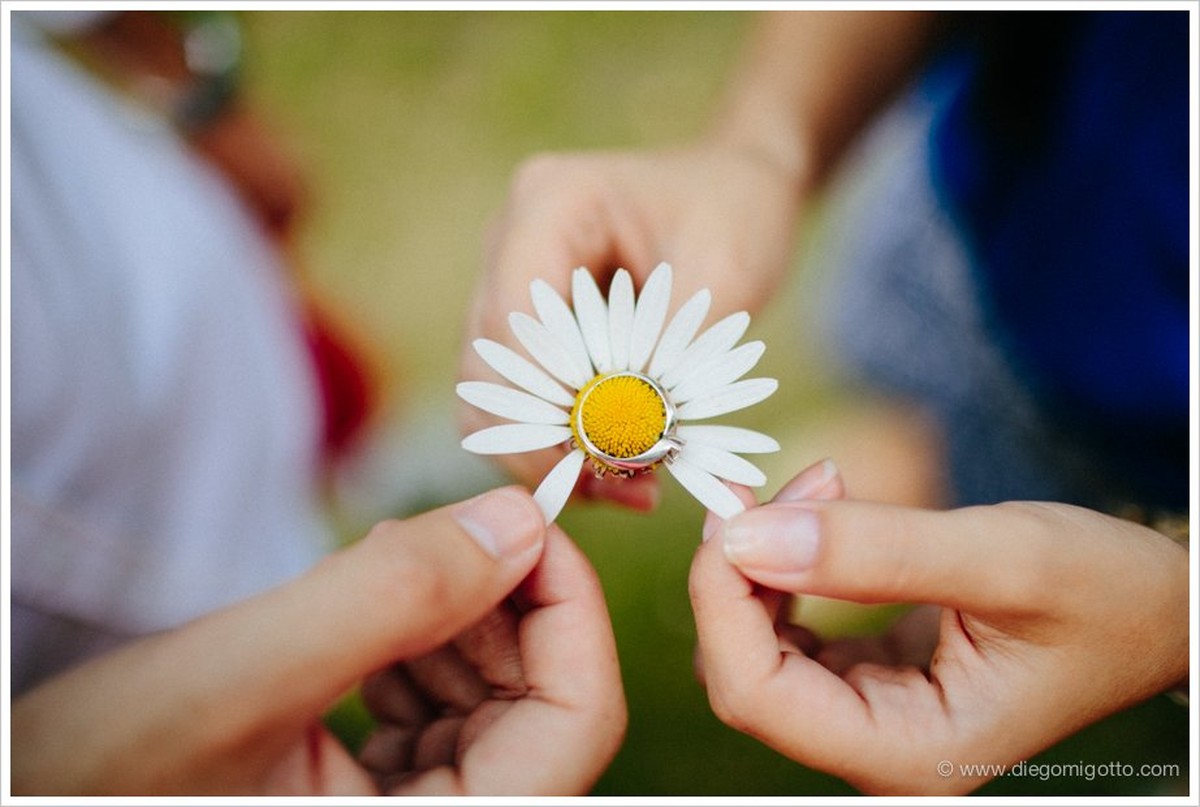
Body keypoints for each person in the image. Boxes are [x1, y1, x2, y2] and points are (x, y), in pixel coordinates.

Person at [464, 10, 1190, 794]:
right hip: (971, 201)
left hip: (1160, 448)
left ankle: (928, 480)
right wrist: (761, 148)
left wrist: (1177, 618)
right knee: (903, 379)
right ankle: (917, 455)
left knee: (1011, 492)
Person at [8, 11, 625, 795]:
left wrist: (195, 90)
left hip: (154, 285)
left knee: (317, 387)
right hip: (89, 673)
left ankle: (382, 465)